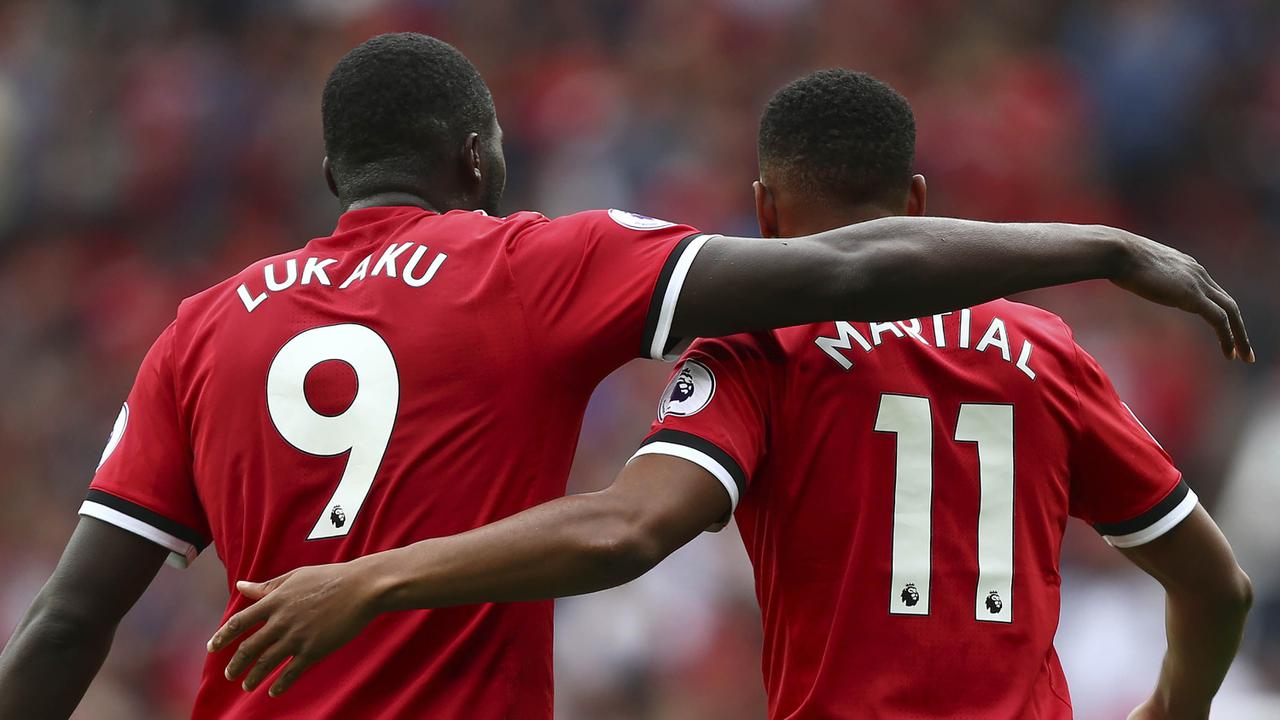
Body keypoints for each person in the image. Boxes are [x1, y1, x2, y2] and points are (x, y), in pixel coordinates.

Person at [0, 33, 1249, 718]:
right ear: (480, 159)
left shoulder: (196, 329)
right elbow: (848, 273)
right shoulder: (535, 266)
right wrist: (1103, 248)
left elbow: (67, 621)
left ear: (333, 177)